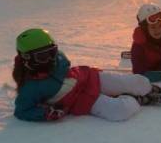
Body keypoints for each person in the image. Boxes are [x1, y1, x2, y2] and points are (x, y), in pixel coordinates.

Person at [13, 28, 152, 122]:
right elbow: (22, 110)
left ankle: (146, 89)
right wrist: (46, 113)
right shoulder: (29, 87)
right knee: (120, 111)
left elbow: (67, 67)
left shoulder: (58, 59)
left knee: (141, 82)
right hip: (79, 101)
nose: (50, 59)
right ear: (26, 58)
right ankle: (135, 100)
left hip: (89, 78)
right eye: (42, 57)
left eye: (52, 52)